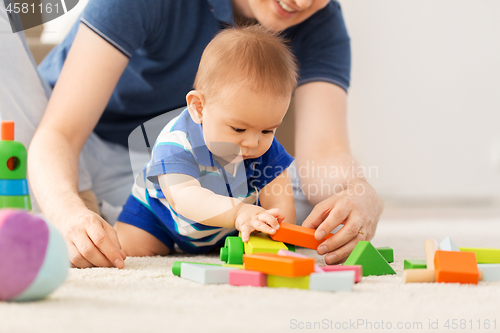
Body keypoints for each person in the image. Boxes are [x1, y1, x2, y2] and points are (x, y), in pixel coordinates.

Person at [25, 0, 383, 269]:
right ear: (196, 107)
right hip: (70, 148)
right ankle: (74, 213)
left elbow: (323, 152)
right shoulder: (177, 139)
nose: (303, 2)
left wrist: (358, 195)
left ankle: (98, 218)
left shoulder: (320, 21)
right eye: (242, 128)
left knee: (315, 211)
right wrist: (66, 212)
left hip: (208, 172)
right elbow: (60, 132)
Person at [115, 25, 297, 256]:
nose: (253, 142)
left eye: (267, 130)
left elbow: (281, 201)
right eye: (239, 128)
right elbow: (185, 199)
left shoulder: (266, 150)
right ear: (199, 108)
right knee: (127, 250)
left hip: (228, 227)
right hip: (159, 216)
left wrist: (273, 221)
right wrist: (239, 212)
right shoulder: (176, 144)